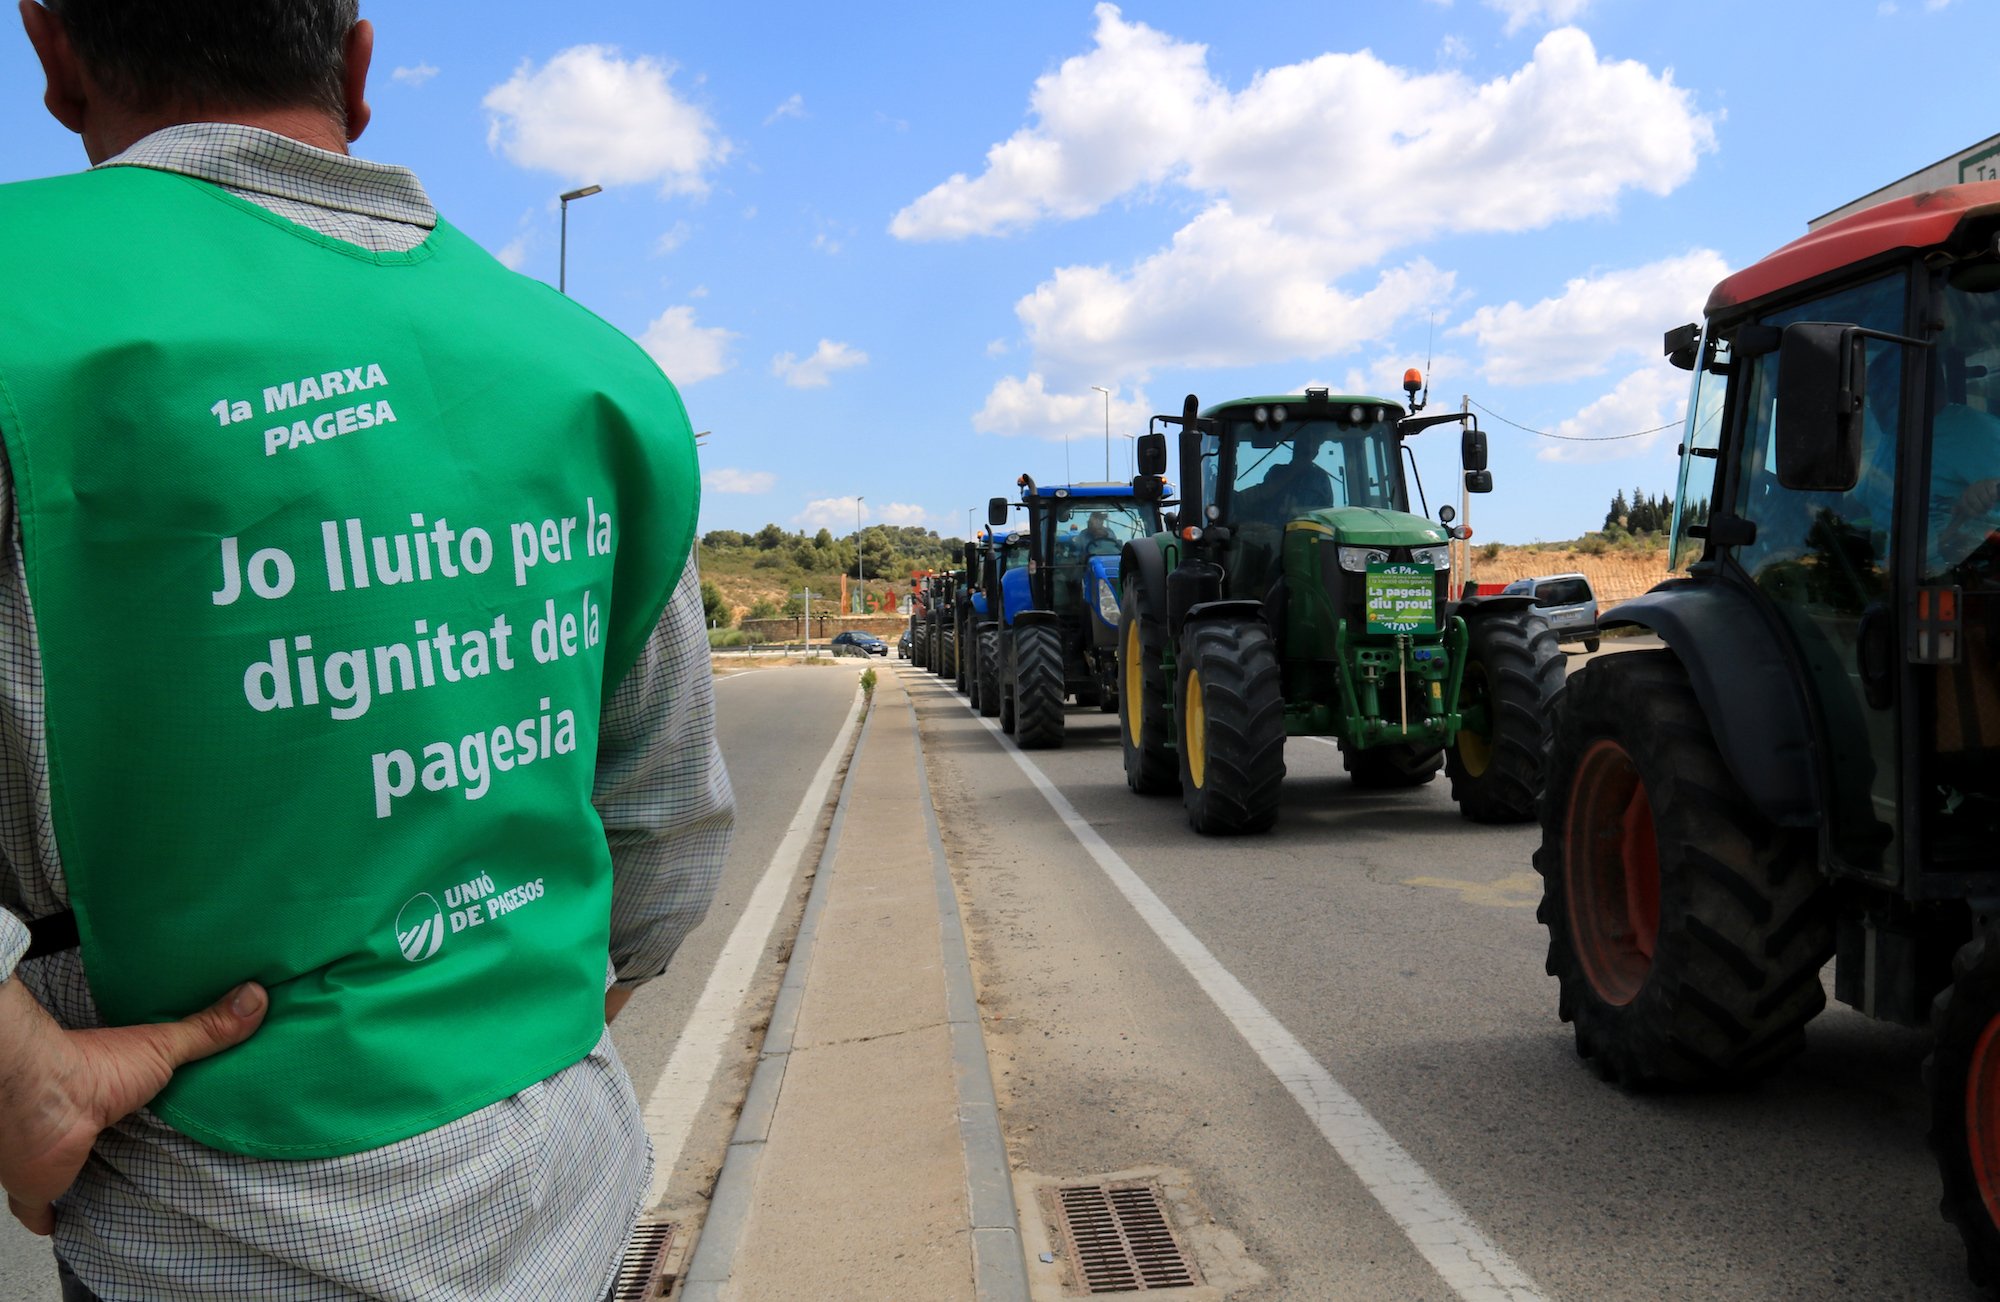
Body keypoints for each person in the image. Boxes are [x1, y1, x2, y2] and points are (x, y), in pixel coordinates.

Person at [0, 4, 734, 1300]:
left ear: (52, 55)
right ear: (355, 66)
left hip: (202, 1235)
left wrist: (19, 1068)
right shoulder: (599, 377)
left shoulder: (27, 305)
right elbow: (666, 843)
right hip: (564, 1215)